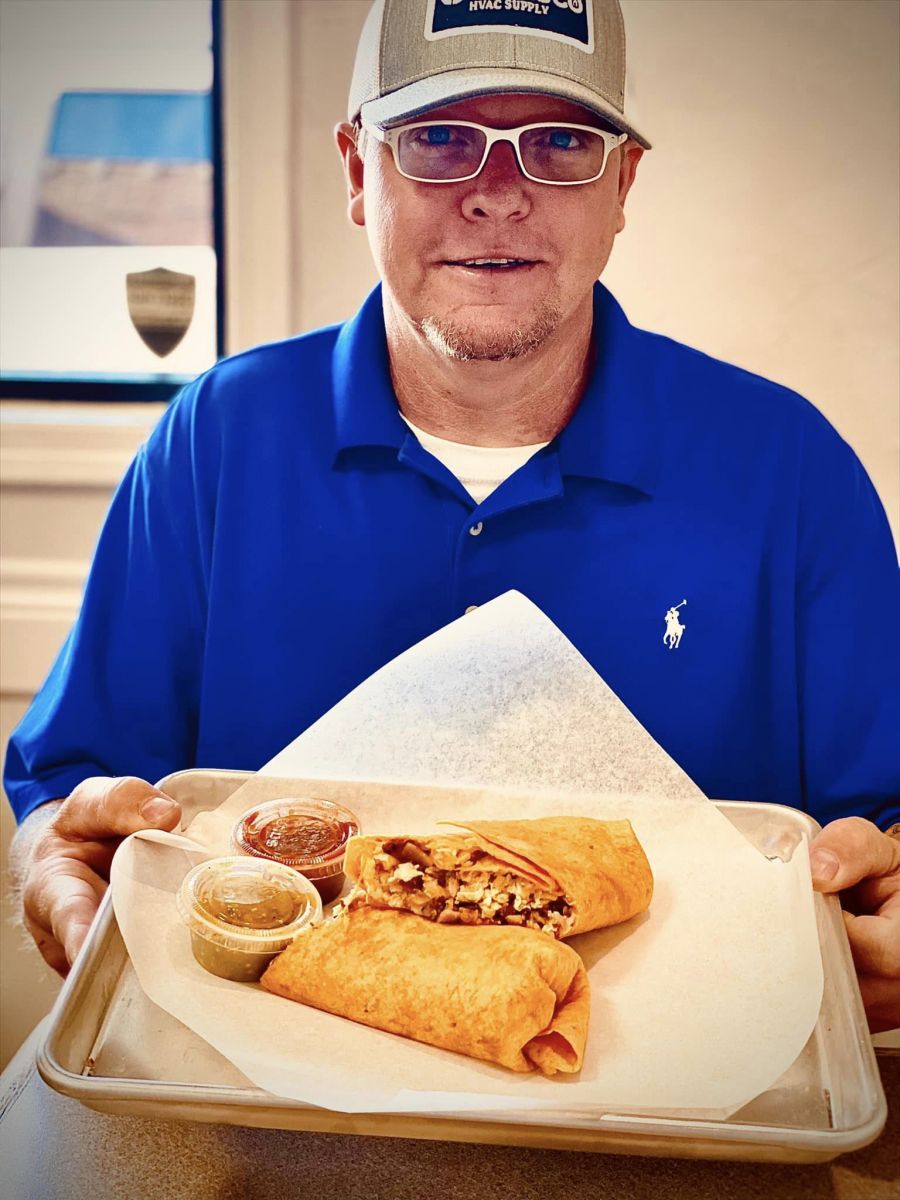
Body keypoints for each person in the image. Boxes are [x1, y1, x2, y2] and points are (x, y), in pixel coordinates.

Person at [5, 0, 899, 1027]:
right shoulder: (216, 442)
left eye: (560, 141)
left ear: (623, 186)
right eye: (440, 139)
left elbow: (886, 820)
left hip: (685, 1107)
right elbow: (73, 789)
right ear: (356, 171)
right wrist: (47, 851)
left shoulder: (789, 468)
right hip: (254, 1099)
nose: (498, 195)